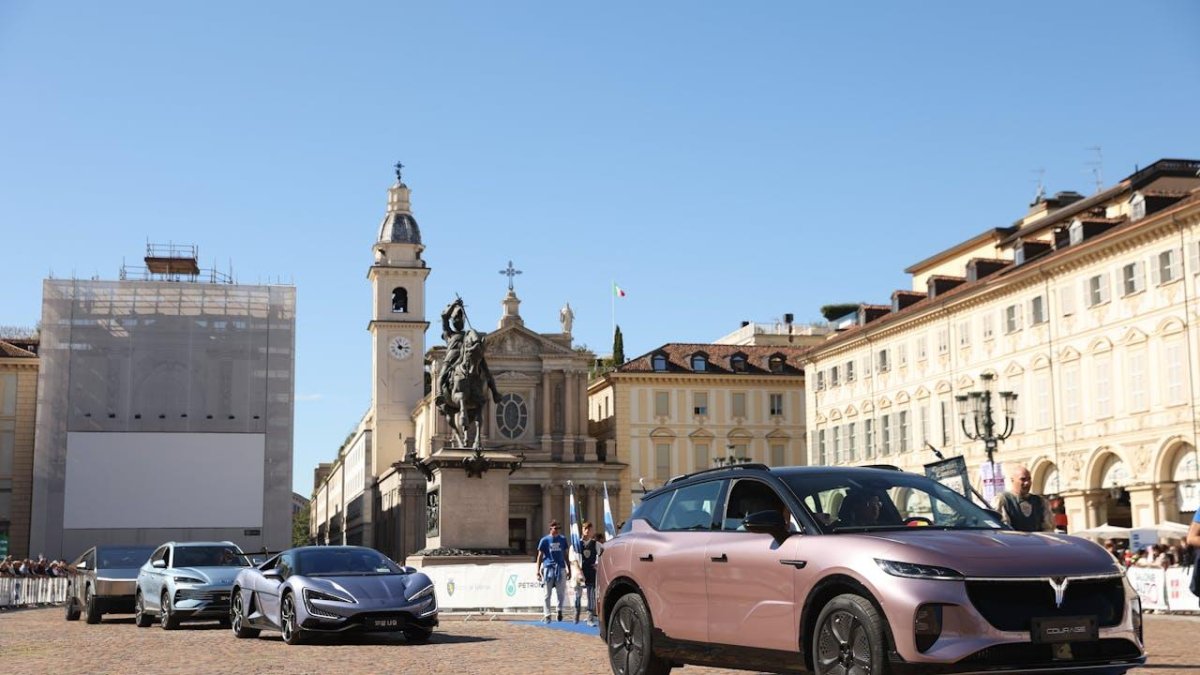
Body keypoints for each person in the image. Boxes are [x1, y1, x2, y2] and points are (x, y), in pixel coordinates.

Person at [991, 465, 1055, 533]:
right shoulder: (1003, 500)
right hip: (1014, 539)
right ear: (1012, 480)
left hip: (1036, 539)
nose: (1027, 483)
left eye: (1029, 479)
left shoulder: (1040, 501)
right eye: (1023, 479)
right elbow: (1001, 527)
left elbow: (1048, 528)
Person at [535, 520, 570, 623]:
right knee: (547, 593)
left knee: (561, 592)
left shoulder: (562, 539)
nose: (557, 530)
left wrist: (569, 568)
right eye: (555, 528)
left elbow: (565, 554)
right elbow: (540, 556)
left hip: (560, 567)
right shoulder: (545, 540)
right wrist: (537, 570)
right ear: (551, 528)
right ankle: (547, 614)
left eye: (558, 528)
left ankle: (559, 610)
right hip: (548, 567)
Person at [574, 521, 599, 626]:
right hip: (580, 573)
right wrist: (578, 571)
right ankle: (577, 612)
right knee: (578, 595)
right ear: (582, 530)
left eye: (589, 529)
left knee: (591, 596)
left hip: (591, 573)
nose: (587, 531)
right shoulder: (576, 544)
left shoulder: (595, 544)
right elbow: (573, 559)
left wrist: (597, 564)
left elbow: (603, 553)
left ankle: (590, 618)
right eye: (585, 529)